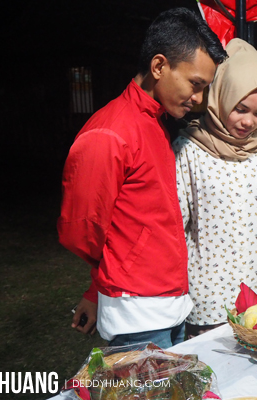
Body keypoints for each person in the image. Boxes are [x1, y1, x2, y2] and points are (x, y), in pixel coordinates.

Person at [57, 8, 227, 348]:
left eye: (204, 88)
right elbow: (82, 232)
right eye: (195, 85)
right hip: (138, 314)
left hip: (172, 304)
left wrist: (96, 287)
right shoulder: (109, 133)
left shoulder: (155, 121)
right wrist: (116, 278)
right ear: (159, 66)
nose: (198, 99)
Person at [173, 39, 257, 338]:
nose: (249, 121)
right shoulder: (190, 149)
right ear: (221, 95)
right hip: (209, 296)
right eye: (241, 108)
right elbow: (176, 226)